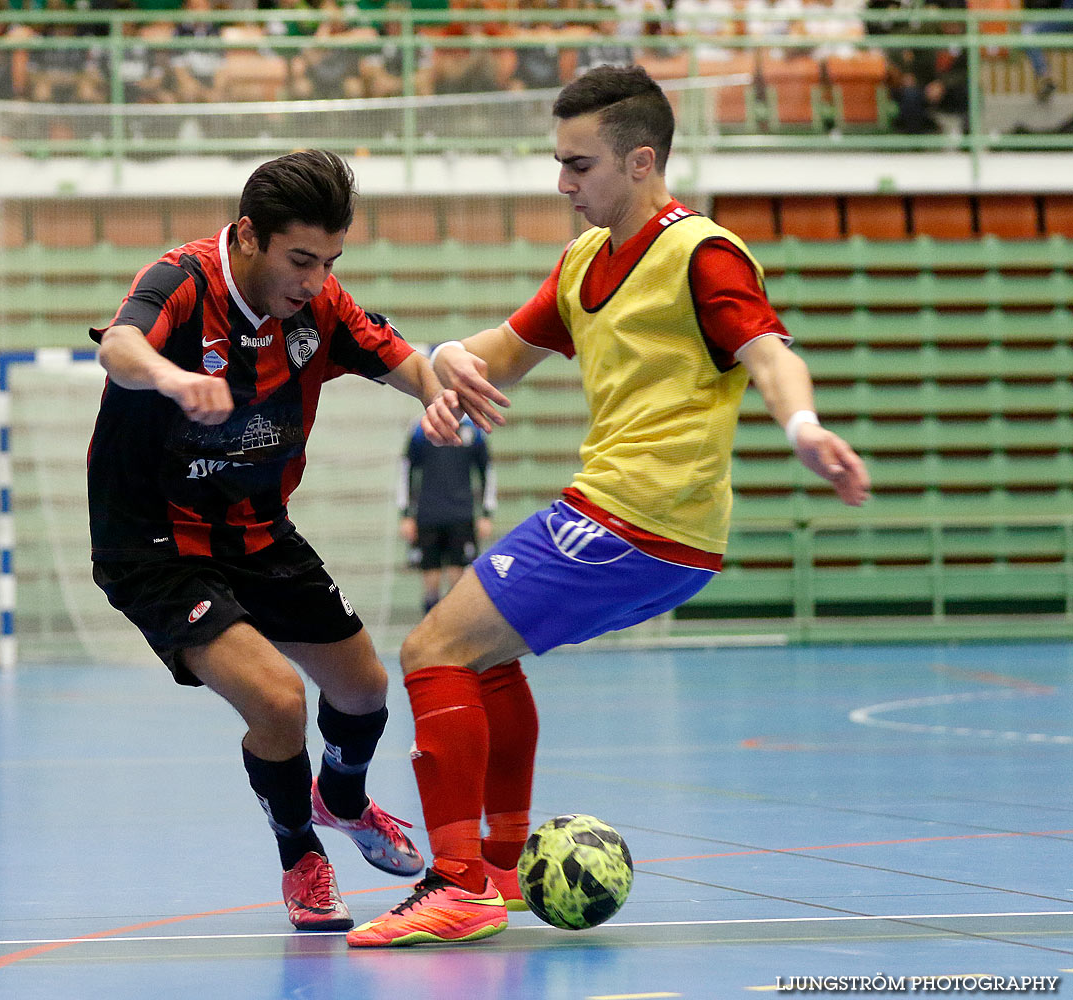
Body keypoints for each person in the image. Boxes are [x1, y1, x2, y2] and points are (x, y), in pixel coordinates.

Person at [347, 65, 871, 948]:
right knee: (474, 658)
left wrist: (805, 424)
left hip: (640, 517)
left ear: (639, 161)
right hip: (630, 522)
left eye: (578, 165)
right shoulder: (587, 260)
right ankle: (502, 867)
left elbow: (771, 355)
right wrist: (443, 356)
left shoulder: (701, 253)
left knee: (432, 648)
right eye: (558, 162)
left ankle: (457, 883)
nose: (563, 184)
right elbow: (497, 355)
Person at [88, 150, 454, 932]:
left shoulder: (319, 310)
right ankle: (300, 858)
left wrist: (441, 395)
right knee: (280, 700)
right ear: (249, 236)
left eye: (330, 261)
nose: (316, 280)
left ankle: (342, 799)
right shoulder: (182, 282)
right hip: (152, 544)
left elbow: (406, 361)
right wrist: (170, 376)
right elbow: (119, 347)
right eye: (301, 260)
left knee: (364, 689)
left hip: (255, 528)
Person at [398, 415, 496, 616]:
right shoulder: (421, 429)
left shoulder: (473, 429)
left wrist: (486, 513)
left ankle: (457, 636)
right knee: (431, 582)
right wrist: (406, 514)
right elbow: (406, 471)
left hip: (461, 515)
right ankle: (431, 633)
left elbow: (486, 470)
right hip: (428, 515)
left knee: (457, 581)